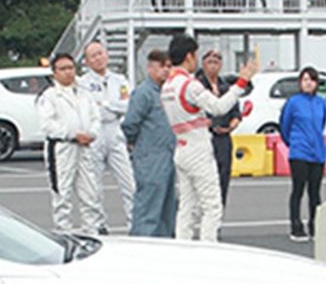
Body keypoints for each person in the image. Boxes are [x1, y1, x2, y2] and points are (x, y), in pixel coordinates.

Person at [161, 35, 257, 242]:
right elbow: (218, 107)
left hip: (181, 145)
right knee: (212, 206)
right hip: (198, 148)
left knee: (187, 207)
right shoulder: (189, 85)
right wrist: (241, 83)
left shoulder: (167, 86)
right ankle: (209, 251)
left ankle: (183, 248)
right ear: (189, 56)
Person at [38, 53, 103, 235]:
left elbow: (95, 117)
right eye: (63, 69)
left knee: (90, 193)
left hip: (85, 147)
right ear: (54, 73)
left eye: (70, 68)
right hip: (62, 148)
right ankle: (64, 233)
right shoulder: (50, 96)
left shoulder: (84, 93)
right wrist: (72, 134)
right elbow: (48, 125)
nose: (68, 72)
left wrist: (92, 134)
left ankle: (92, 232)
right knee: (62, 194)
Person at [78, 42, 136, 234]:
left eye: (100, 53)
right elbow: (89, 109)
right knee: (94, 183)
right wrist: (110, 105)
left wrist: (106, 103)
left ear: (107, 54)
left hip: (114, 129)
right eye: (93, 56)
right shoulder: (82, 83)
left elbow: (127, 105)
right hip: (94, 132)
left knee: (128, 181)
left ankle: (133, 222)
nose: (98, 58)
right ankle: (99, 224)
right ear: (86, 61)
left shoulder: (119, 80)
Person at [122, 50, 177, 237]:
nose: (166, 71)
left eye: (169, 66)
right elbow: (130, 124)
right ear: (150, 67)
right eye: (161, 67)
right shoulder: (144, 93)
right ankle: (141, 243)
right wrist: (136, 145)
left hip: (169, 155)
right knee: (148, 205)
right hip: (150, 156)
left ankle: (164, 244)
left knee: (167, 206)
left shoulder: (168, 92)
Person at [281, 67, 326, 243]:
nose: (308, 83)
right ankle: (296, 226)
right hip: (299, 152)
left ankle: (315, 225)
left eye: (312, 79)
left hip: (317, 152)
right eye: (305, 79)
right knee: (298, 189)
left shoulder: (321, 103)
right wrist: (294, 143)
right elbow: (285, 126)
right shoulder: (293, 103)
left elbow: (322, 124)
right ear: (300, 83)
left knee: (315, 192)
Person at [197, 50, 243, 206]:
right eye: (209, 62)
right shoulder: (196, 86)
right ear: (203, 64)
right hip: (203, 138)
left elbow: (236, 113)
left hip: (223, 138)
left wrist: (230, 127)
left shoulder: (225, 87)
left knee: (223, 178)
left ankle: (217, 213)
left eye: (216, 62)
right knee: (204, 181)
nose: (212, 66)